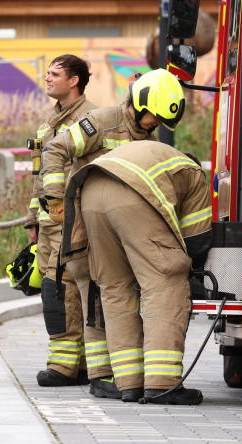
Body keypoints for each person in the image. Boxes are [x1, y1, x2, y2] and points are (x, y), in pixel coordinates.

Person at [39, 68, 186, 399]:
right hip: (84, 224)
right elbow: (56, 151)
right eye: (152, 116)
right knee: (94, 298)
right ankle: (100, 376)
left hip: (118, 229)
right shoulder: (102, 121)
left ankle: (119, 377)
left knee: (116, 297)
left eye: (161, 120)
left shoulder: (148, 139)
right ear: (138, 102)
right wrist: (56, 206)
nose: (154, 124)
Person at [62, 139, 211, 405]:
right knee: (165, 282)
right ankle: (162, 384)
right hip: (133, 192)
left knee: (114, 287)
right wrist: (190, 269)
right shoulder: (194, 174)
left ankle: (129, 384)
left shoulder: (157, 156)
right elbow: (197, 240)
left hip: (90, 190)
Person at [29, 55, 97, 387]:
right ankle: (79, 363)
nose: (47, 78)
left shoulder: (89, 119)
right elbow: (38, 175)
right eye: (48, 73)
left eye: (55, 74)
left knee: (62, 289)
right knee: (54, 287)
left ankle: (65, 366)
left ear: (74, 81)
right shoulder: (49, 121)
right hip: (47, 223)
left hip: (71, 220)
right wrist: (32, 219)